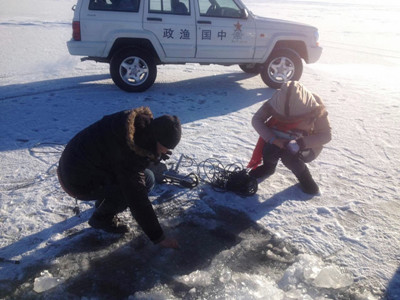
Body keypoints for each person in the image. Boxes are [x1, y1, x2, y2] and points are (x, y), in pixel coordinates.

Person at [57, 107, 181, 248]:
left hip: (74, 166)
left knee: (144, 177)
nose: (167, 151)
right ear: (156, 138)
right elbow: (137, 198)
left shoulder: (136, 125)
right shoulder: (128, 151)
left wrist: (154, 152)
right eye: (165, 147)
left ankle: (105, 202)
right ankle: (102, 218)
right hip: (76, 182)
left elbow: (127, 157)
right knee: (142, 183)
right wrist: (159, 237)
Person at [248, 81, 331, 194]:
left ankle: (305, 177)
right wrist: (274, 140)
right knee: (268, 150)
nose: (289, 122)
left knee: (290, 158)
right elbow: (257, 119)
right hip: (278, 139)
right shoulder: (277, 100)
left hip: (304, 145)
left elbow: (326, 135)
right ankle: (268, 168)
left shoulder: (315, 106)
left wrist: (300, 143)